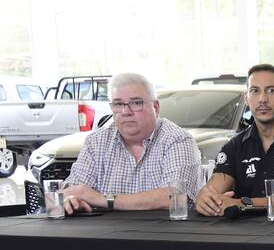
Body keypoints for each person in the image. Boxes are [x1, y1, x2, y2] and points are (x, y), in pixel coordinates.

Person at [62, 72, 202, 214]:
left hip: (164, 233)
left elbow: (175, 196)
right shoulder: (96, 142)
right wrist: (71, 200)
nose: (125, 111)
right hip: (104, 233)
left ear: (156, 107)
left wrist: (101, 199)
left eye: (136, 103)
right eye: (118, 104)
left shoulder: (177, 140)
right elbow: (75, 191)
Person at [194, 64, 274, 216]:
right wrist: (204, 200)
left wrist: (241, 204)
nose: (263, 99)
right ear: (246, 98)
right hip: (245, 234)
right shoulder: (235, 146)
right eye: (255, 91)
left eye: (271, 90)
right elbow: (212, 192)